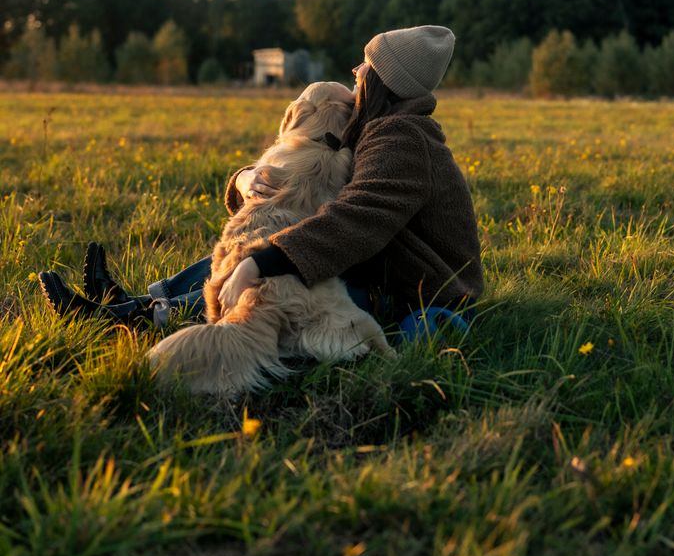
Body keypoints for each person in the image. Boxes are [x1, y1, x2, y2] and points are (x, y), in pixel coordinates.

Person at [38, 25, 484, 339]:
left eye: (364, 65)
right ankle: (132, 301)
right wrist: (246, 180)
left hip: (414, 294)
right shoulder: (376, 125)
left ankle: (131, 317)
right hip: (382, 268)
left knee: (265, 270)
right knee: (258, 246)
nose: (355, 71)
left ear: (384, 79)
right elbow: (295, 187)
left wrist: (265, 262)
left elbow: (359, 219)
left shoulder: (401, 138)